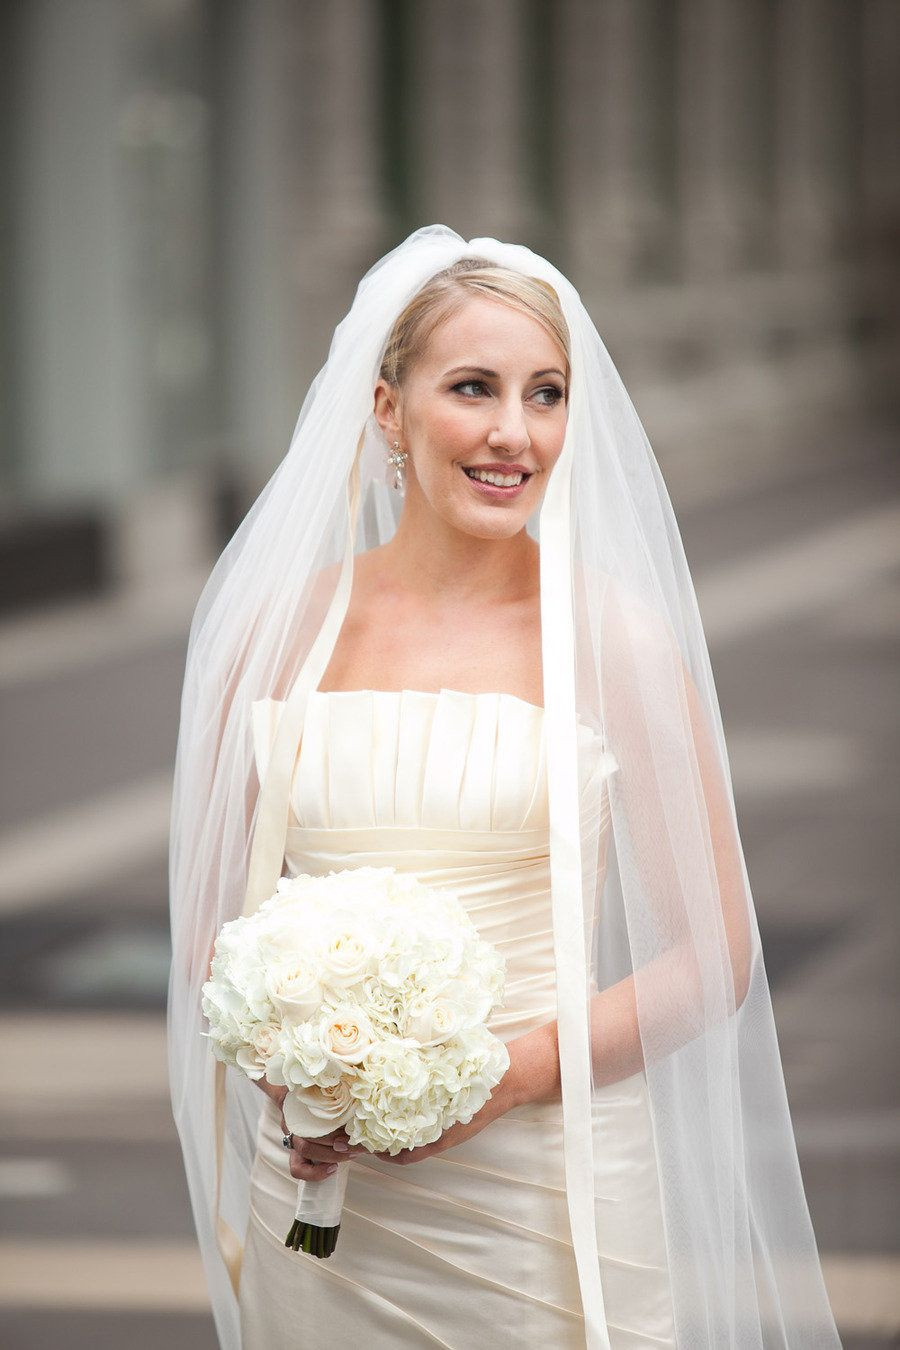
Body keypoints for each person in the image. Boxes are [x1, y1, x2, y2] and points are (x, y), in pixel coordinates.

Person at [167, 226, 842, 1349]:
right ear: (386, 410)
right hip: (324, 1191)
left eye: (547, 394)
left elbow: (715, 953)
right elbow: (212, 935)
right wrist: (300, 1078)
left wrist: (509, 1074)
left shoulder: (612, 640)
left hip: (542, 1195)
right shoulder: (279, 631)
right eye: (471, 388)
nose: (512, 434)